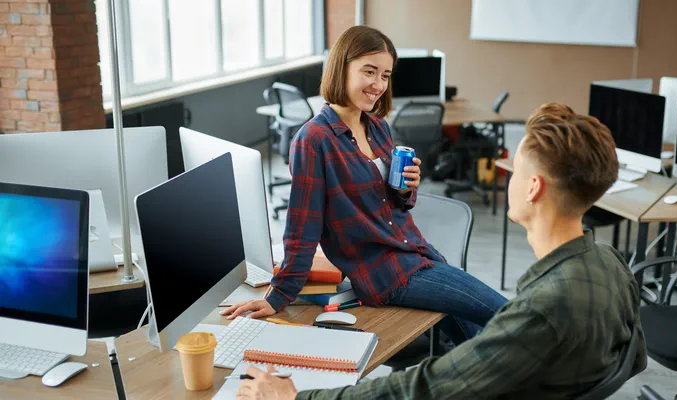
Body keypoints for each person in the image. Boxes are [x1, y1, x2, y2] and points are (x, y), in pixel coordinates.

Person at [234, 103, 648, 399]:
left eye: (514, 170)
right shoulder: (612, 264)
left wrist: (295, 397)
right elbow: (636, 358)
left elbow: (426, 388)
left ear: (533, 187)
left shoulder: (539, 312)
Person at [222, 25, 507, 345]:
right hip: (387, 274)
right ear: (341, 68)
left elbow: (392, 205)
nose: (378, 85)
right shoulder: (314, 140)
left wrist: (405, 189)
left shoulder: (378, 127)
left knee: (479, 340)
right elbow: (303, 227)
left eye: (385, 75)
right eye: (369, 72)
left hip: (418, 253)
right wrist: (278, 295)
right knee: (507, 314)